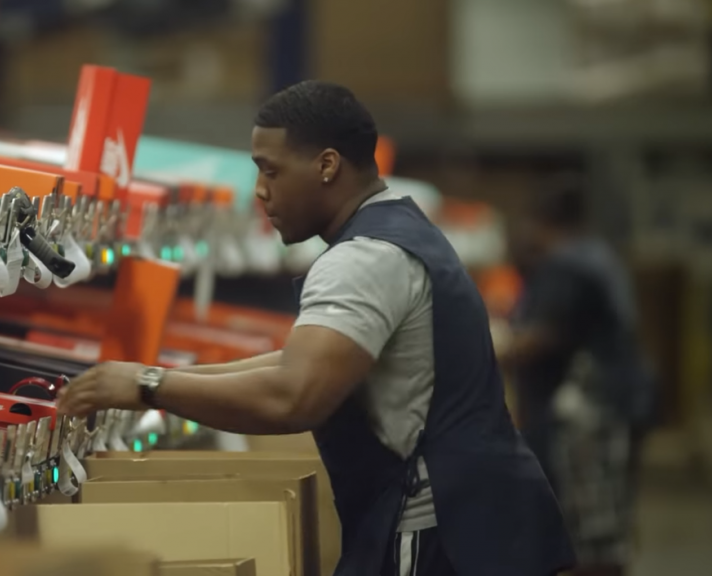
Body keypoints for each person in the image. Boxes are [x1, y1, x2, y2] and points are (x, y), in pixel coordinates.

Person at [58, 80, 575, 576]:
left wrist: (150, 388)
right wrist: (152, 376)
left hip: (444, 534)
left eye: (271, 171)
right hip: (481, 520)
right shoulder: (400, 231)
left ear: (327, 165)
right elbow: (290, 363)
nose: (260, 191)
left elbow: (294, 396)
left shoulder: (363, 259)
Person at [499, 177, 657, 576]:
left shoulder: (568, 265)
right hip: (610, 409)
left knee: (590, 538)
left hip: (588, 417)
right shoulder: (597, 256)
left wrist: (488, 344)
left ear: (540, 223)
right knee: (601, 531)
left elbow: (538, 338)